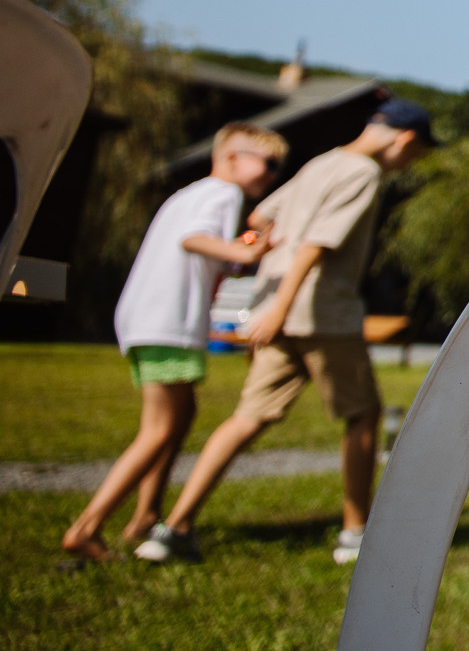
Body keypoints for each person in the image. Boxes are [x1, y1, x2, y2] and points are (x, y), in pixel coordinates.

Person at [138, 99, 433, 566]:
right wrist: (282, 306)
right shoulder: (363, 173)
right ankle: (356, 534)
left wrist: (265, 272)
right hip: (321, 313)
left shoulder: (321, 163)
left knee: (248, 417)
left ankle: (172, 529)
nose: (406, 165)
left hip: (276, 308)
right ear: (405, 139)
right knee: (362, 414)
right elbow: (317, 243)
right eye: (413, 157)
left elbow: (259, 219)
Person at [58, 123, 282, 563]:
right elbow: (194, 239)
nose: (272, 174)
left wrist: (236, 252)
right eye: (268, 162)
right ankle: (85, 528)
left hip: (145, 318)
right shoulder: (224, 194)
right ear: (233, 157)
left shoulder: (189, 193)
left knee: (179, 418)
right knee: (160, 429)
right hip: (168, 321)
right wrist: (248, 254)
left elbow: (198, 249)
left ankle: (146, 516)